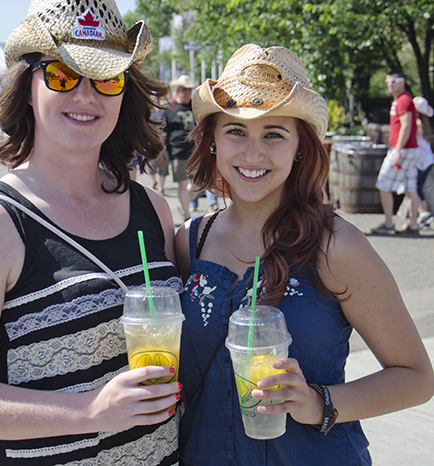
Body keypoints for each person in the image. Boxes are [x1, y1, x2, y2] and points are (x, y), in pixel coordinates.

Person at [0, 0, 183, 466]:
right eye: (64, 75)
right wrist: (90, 412)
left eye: (107, 78)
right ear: (27, 87)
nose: (87, 95)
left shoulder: (152, 208)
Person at [174, 44, 434, 465]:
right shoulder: (190, 242)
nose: (252, 153)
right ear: (214, 142)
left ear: (299, 146)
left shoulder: (336, 246)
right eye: (236, 130)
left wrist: (320, 403)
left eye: (274, 134)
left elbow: (416, 379)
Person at [372, 71, 420, 235]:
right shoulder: (401, 100)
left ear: (402, 82)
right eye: (388, 82)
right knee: (411, 188)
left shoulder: (404, 100)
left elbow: (406, 126)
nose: (390, 85)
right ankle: (413, 225)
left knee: (383, 184)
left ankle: (388, 223)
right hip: (410, 150)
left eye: (393, 82)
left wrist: (397, 150)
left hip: (402, 150)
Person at [163, 75, 196, 221]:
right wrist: (161, 153)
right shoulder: (170, 109)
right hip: (177, 152)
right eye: (183, 89)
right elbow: (163, 132)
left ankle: (184, 205)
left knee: (199, 184)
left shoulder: (196, 107)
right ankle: (187, 215)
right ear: (177, 91)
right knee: (183, 184)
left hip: (195, 152)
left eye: (189, 89)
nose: (186, 92)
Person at [412, 96, 434, 228]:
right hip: (427, 160)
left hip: (419, 161)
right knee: (419, 189)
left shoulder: (416, 124)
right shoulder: (425, 123)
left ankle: (423, 213)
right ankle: (424, 216)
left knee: (413, 188)